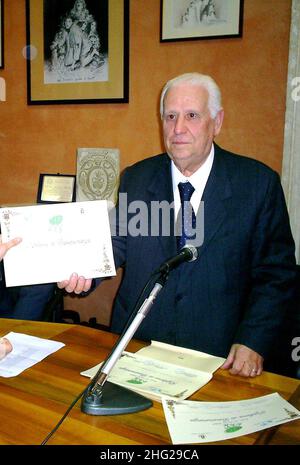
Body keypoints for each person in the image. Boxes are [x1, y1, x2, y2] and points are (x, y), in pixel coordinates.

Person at [58, 72, 296, 378]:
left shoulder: (257, 184)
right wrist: (85, 270)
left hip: (219, 357)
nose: (178, 128)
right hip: (137, 348)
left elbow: (276, 275)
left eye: (192, 116)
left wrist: (253, 340)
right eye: (170, 116)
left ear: (217, 122)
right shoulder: (137, 178)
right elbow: (115, 244)